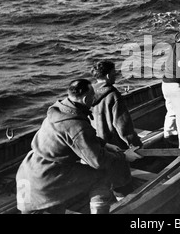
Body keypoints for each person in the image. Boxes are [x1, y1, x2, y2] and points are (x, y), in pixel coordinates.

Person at [15, 79, 142, 214]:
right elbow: (98, 161)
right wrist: (124, 156)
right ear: (86, 98)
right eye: (93, 95)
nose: (95, 98)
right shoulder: (77, 126)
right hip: (48, 178)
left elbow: (71, 138)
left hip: (26, 174)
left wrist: (105, 144)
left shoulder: (59, 111)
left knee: (48, 207)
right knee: (102, 175)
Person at [90, 60, 143, 201]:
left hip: (96, 145)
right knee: (121, 183)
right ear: (108, 76)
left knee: (103, 181)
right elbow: (122, 125)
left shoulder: (88, 93)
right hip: (113, 145)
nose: (116, 75)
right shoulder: (113, 95)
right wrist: (135, 144)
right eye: (114, 73)